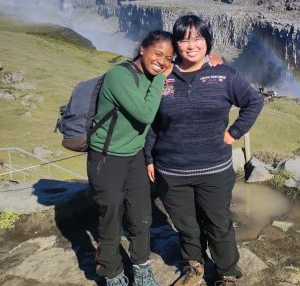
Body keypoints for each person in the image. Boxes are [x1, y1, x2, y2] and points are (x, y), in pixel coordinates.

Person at [144, 15, 264, 286]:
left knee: (218, 222)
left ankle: (227, 273)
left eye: (198, 38)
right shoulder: (161, 76)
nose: (191, 45)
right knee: (185, 224)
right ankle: (194, 265)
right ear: (176, 44)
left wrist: (233, 133)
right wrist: (148, 158)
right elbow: (150, 122)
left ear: (207, 41)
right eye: (184, 39)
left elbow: (254, 102)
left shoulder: (223, 74)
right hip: (172, 171)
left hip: (215, 170)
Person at [87, 30, 174, 286]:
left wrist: (212, 59)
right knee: (111, 217)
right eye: (158, 53)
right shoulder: (118, 75)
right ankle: (112, 272)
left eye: (168, 58)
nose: (162, 61)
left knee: (141, 215)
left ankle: (141, 266)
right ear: (142, 49)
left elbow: (190, 67)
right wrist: (162, 79)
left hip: (134, 156)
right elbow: (145, 114)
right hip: (107, 157)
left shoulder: (152, 74)